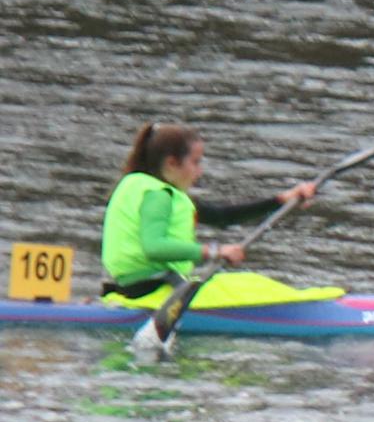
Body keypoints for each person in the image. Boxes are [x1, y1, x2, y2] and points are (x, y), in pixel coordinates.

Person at [100, 125, 319, 304]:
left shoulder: (142, 186)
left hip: (137, 287)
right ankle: (310, 304)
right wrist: (215, 251)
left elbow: (222, 217)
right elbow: (154, 247)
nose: (200, 171)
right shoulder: (159, 196)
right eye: (195, 162)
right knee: (250, 285)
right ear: (172, 163)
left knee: (243, 283)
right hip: (153, 289)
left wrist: (282, 200)